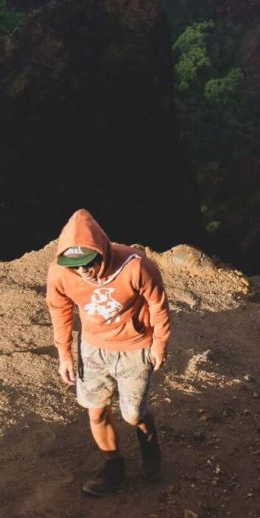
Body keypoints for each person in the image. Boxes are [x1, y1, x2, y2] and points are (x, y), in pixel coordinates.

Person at [45, 208, 170, 497]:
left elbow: (158, 305)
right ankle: (113, 465)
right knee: (96, 411)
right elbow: (60, 310)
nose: (82, 270)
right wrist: (65, 354)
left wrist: (159, 343)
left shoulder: (136, 266)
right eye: (74, 265)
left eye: (88, 262)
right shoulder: (60, 273)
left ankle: (148, 440)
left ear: (101, 250)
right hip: (92, 348)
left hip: (134, 347)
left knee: (132, 414)